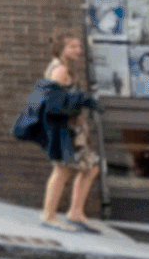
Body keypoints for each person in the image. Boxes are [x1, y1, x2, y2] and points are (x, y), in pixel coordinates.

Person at [27, 34, 101, 231]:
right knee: (62, 170)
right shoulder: (60, 70)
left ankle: (75, 212)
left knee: (90, 167)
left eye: (79, 46)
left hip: (71, 129)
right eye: (73, 47)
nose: (78, 50)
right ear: (61, 49)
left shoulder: (60, 67)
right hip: (65, 130)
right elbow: (52, 104)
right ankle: (49, 216)